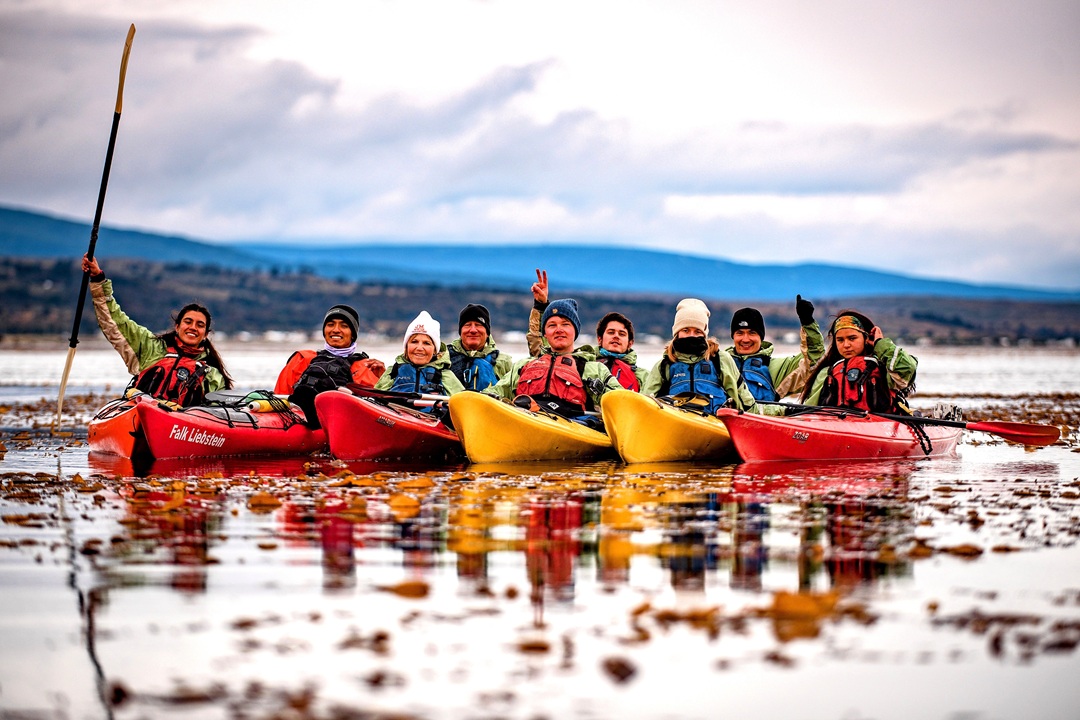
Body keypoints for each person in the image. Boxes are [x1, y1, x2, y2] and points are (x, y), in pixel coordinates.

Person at [82, 254, 232, 407]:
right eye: (188, 322)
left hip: (181, 421)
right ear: (177, 326)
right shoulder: (151, 348)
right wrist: (98, 279)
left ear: (206, 334)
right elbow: (115, 320)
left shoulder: (212, 375)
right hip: (141, 413)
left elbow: (219, 413)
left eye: (200, 325)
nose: (193, 327)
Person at [490, 280, 622, 424]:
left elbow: (622, 401)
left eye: (565, 324)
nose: (559, 330)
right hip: (525, 422)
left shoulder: (593, 369)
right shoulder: (524, 365)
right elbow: (492, 395)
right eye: (552, 325)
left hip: (573, 426)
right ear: (545, 333)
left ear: (575, 331)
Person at [526, 270, 645, 391]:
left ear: (630, 343)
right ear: (599, 339)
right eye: (610, 332)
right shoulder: (582, 363)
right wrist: (540, 306)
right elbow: (541, 345)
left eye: (622, 334)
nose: (616, 336)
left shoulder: (641, 375)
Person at [641, 298, 761, 415]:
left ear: (704, 334)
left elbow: (743, 401)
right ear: (677, 333)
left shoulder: (720, 360)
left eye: (697, 331)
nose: (691, 335)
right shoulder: (664, 366)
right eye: (686, 330)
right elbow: (644, 404)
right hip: (675, 424)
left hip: (714, 425)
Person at [274, 304, 385, 428]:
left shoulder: (367, 367)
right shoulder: (302, 359)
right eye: (330, 324)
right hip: (299, 418)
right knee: (304, 392)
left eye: (344, 326)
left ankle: (321, 410)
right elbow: (279, 396)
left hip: (342, 421)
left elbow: (382, 413)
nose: (336, 330)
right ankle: (312, 409)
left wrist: (384, 378)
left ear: (353, 334)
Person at [798, 311, 917, 413]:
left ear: (866, 338)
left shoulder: (884, 368)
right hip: (837, 425)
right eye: (840, 340)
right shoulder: (827, 372)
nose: (846, 345)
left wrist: (880, 344)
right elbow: (809, 409)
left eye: (852, 338)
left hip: (881, 425)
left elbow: (907, 368)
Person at [724, 296, 824, 403]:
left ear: (761, 337)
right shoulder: (720, 363)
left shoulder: (778, 368)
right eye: (740, 333)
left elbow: (814, 361)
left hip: (760, 414)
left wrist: (808, 323)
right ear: (733, 336)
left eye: (752, 333)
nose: (745, 339)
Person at [375, 311, 465, 404]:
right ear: (406, 346)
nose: (419, 348)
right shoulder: (393, 371)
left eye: (426, 343)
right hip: (395, 412)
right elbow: (375, 400)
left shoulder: (446, 376)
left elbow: (463, 405)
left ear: (435, 350)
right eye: (414, 342)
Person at [447, 303, 514, 391]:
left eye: (478, 325)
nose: (473, 330)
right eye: (468, 325)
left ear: (487, 332)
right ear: (460, 332)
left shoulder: (504, 362)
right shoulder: (445, 358)